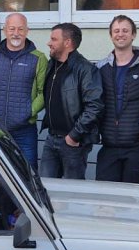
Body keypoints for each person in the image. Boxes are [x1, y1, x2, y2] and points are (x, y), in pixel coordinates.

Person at [94, 15, 139, 184]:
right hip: (108, 144)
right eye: (116, 31)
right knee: (105, 193)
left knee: (130, 194)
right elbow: (94, 102)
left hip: (135, 145)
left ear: (133, 34)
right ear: (111, 35)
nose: (120, 34)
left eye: (125, 30)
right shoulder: (100, 67)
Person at [0, 12, 47, 168]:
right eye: (12, 29)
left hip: (25, 130)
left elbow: (43, 92)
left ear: (27, 31)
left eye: (20, 29)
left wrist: (28, 112)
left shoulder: (38, 58)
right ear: (5, 30)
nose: (16, 33)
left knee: (28, 171)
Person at [40, 23, 102, 180]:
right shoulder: (52, 65)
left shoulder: (86, 69)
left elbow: (94, 106)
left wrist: (74, 136)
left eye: (54, 39)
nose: (49, 43)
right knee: (45, 187)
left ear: (67, 42)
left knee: (72, 190)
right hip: (51, 138)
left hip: (73, 143)